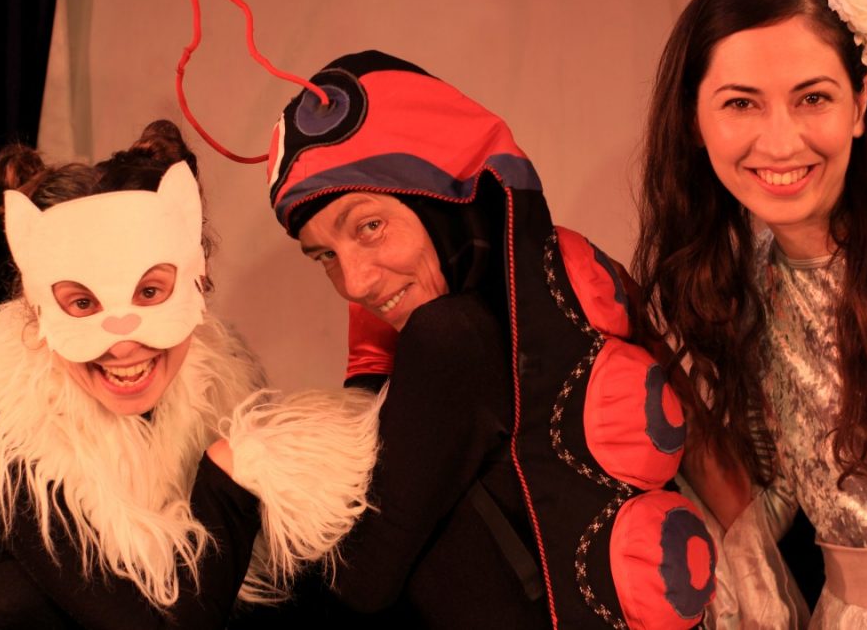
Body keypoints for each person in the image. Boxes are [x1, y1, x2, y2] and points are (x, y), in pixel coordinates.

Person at [238, 49, 716, 629]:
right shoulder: (554, 289)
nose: (354, 283)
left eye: (370, 226)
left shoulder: (448, 338)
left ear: (436, 196)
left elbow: (361, 581)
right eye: (325, 257)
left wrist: (237, 478)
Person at [634, 0, 867, 628]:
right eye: (741, 103)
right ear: (693, 118)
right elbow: (777, 494)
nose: (781, 141)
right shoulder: (751, 282)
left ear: (861, 102)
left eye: (813, 98)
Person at [0, 120, 379, 628]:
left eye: (150, 293)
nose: (122, 343)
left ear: (198, 282)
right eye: (82, 303)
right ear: (36, 309)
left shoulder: (222, 384)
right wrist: (229, 476)